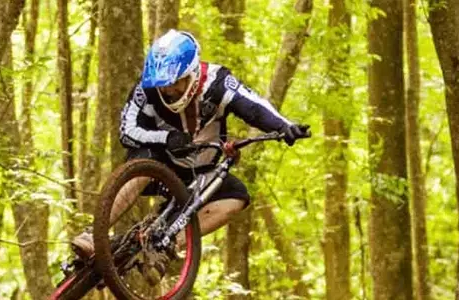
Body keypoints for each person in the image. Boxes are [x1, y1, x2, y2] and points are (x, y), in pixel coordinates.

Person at [71, 30, 308, 256]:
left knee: (237, 196)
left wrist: (285, 127)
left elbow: (254, 106)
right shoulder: (147, 88)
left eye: (176, 81)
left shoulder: (217, 83)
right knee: (142, 160)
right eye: (163, 83)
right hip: (159, 164)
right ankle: (94, 234)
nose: (169, 89)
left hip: (200, 173)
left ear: (193, 73)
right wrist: (166, 139)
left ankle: (169, 245)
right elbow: (127, 131)